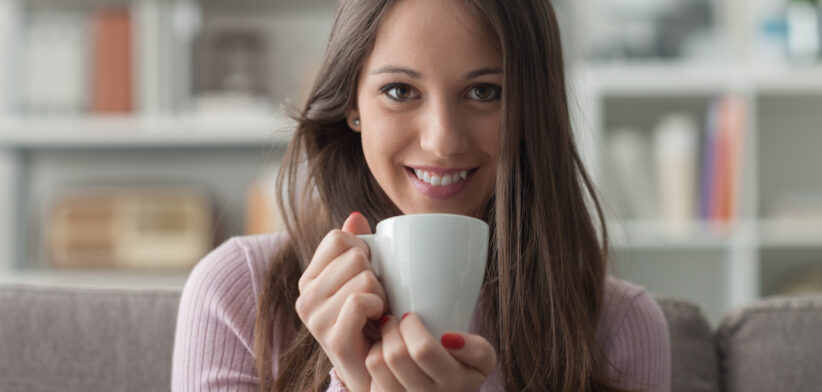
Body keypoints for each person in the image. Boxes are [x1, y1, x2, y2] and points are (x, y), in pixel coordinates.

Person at [171, 0, 671, 391]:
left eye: (484, 92)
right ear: (352, 103)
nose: (442, 140)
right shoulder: (237, 298)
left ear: (530, 111)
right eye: (400, 91)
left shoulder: (619, 327)